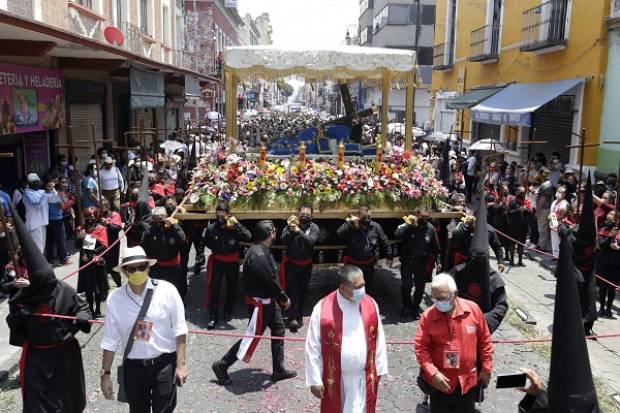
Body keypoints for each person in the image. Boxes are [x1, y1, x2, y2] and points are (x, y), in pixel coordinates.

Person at [6, 206, 92, 413]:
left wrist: (81, 318)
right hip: (38, 357)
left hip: (65, 354)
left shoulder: (61, 288)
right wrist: (21, 316)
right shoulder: (25, 294)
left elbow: (82, 306)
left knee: (68, 400)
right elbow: (13, 320)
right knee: (39, 406)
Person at [99, 246, 188, 412]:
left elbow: (180, 329)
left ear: (149, 267)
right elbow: (110, 341)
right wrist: (105, 375)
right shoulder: (115, 299)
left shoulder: (167, 291)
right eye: (132, 268)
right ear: (125, 272)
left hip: (164, 364)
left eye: (142, 267)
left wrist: (181, 364)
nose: (138, 271)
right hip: (134, 368)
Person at [211, 220, 297, 386]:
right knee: (250, 338)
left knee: (278, 330)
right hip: (261, 305)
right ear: (270, 233)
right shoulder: (260, 256)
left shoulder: (259, 250)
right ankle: (221, 365)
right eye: (274, 230)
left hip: (268, 303)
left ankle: (278, 369)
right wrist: (284, 298)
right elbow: (270, 282)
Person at [305, 265, 388, 412]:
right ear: (343, 288)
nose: (362, 290)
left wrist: (379, 369)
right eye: (358, 287)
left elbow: (379, 339)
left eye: (363, 285)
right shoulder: (323, 308)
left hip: (363, 378)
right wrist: (314, 379)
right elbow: (313, 345)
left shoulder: (370, 304)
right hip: (336, 380)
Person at [414, 273, 493, 413]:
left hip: (467, 383)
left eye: (442, 298)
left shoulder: (473, 310)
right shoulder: (428, 317)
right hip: (440, 383)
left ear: (455, 294)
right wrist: (432, 373)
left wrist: (486, 368)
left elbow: (485, 340)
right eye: (434, 298)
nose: (438, 302)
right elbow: (421, 348)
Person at [202, 203, 252, 329]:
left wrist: (237, 225)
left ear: (228, 215)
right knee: (215, 288)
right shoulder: (212, 228)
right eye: (217, 215)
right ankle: (213, 316)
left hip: (232, 262)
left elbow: (248, 236)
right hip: (218, 261)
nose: (220, 218)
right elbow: (206, 241)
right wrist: (216, 249)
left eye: (222, 216)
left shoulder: (234, 226)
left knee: (232, 287)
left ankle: (228, 310)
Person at [394, 209, 440, 319]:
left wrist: (439, 261)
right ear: (417, 215)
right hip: (407, 261)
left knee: (420, 287)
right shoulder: (408, 225)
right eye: (422, 216)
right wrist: (408, 225)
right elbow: (397, 235)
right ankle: (406, 306)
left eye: (426, 217)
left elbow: (436, 248)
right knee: (407, 285)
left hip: (422, 262)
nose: (424, 219)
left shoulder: (430, 228)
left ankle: (415, 308)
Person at [280, 205, 320, 332]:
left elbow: (311, 242)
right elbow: (282, 240)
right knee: (293, 290)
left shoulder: (314, 228)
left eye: (308, 214)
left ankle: (299, 314)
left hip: (306, 265)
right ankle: (293, 318)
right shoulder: (292, 224)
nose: (305, 216)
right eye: (302, 214)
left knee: (303, 290)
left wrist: (299, 232)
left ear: (312, 216)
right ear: (298, 214)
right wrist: (290, 230)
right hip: (292, 264)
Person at [336, 206, 392, 293]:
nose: (367, 219)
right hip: (353, 264)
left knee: (367, 287)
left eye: (369, 217)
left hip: (368, 264)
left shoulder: (376, 227)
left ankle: (365, 304)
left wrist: (389, 256)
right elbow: (339, 233)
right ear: (358, 216)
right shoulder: (351, 226)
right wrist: (349, 223)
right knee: (351, 287)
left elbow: (384, 241)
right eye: (365, 217)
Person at [141, 206, 187, 300]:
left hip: (173, 266)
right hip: (156, 266)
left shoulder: (173, 228)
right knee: (156, 291)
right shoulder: (149, 230)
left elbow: (183, 239)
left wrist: (174, 226)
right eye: (156, 218)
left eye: (161, 219)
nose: (159, 221)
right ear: (153, 218)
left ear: (166, 216)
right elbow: (143, 246)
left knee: (173, 290)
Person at [76, 206, 108, 318]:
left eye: (91, 217)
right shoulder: (81, 228)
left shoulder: (101, 228)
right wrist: (79, 238)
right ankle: (90, 309)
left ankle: (98, 309)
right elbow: (77, 246)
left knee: (98, 288)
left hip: (96, 261)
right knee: (88, 288)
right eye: (87, 217)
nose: (89, 219)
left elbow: (104, 246)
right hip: (86, 263)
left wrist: (91, 254)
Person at [596, 211, 619, 318]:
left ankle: (609, 309)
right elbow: (600, 244)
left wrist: (618, 248)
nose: (610, 216)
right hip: (603, 262)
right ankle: (601, 308)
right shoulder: (603, 229)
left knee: (611, 288)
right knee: (603, 287)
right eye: (609, 214)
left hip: (616, 264)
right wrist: (610, 236)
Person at [99, 198, 123, 288]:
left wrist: (108, 224)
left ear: (107, 206)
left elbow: (118, 228)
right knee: (101, 267)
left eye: (102, 207)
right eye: (99, 207)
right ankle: (104, 289)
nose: (100, 209)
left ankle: (120, 286)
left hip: (112, 245)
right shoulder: (97, 215)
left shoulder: (114, 215)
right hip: (101, 245)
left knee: (113, 267)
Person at [23, 173, 49, 253]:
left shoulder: (42, 191)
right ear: (29, 183)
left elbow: (55, 199)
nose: (37, 183)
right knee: (38, 249)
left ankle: (41, 264)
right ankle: (39, 265)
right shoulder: (27, 193)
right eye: (34, 182)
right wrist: (45, 193)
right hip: (34, 224)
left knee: (42, 247)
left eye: (37, 181)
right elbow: (37, 204)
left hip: (42, 223)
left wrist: (52, 190)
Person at [536, 167, 553, 252]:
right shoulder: (547, 183)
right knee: (544, 228)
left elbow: (542, 199)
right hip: (546, 208)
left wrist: (537, 211)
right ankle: (542, 244)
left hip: (544, 209)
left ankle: (542, 247)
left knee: (542, 228)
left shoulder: (545, 185)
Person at [549, 185, 569, 258]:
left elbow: (563, 214)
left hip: (560, 223)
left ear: (565, 194)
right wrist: (550, 219)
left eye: (561, 192)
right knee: (554, 240)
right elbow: (551, 212)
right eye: (558, 191)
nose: (559, 193)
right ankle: (555, 256)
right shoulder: (554, 202)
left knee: (559, 240)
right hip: (553, 221)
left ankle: (560, 256)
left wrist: (558, 215)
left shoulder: (565, 203)